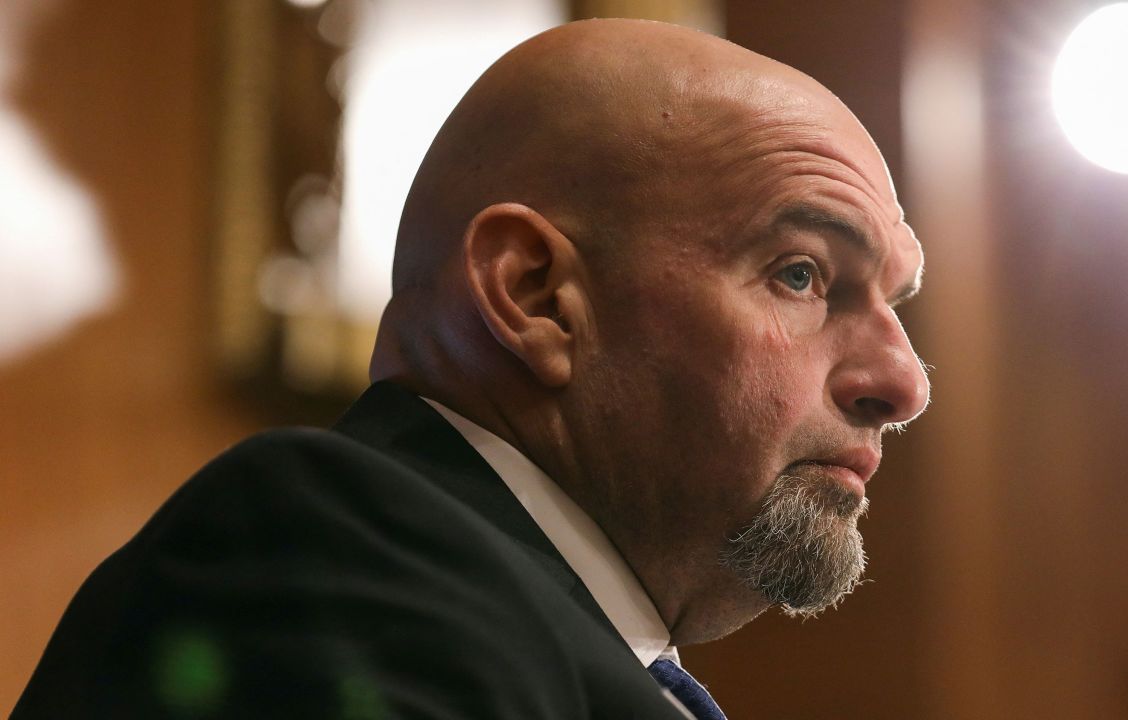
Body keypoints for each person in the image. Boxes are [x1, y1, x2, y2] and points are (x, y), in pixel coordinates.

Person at [14, 17, 928, 720]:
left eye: (897, 301)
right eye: (802, 274)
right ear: (534, 295)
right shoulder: (315, 561)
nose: (904, 380)